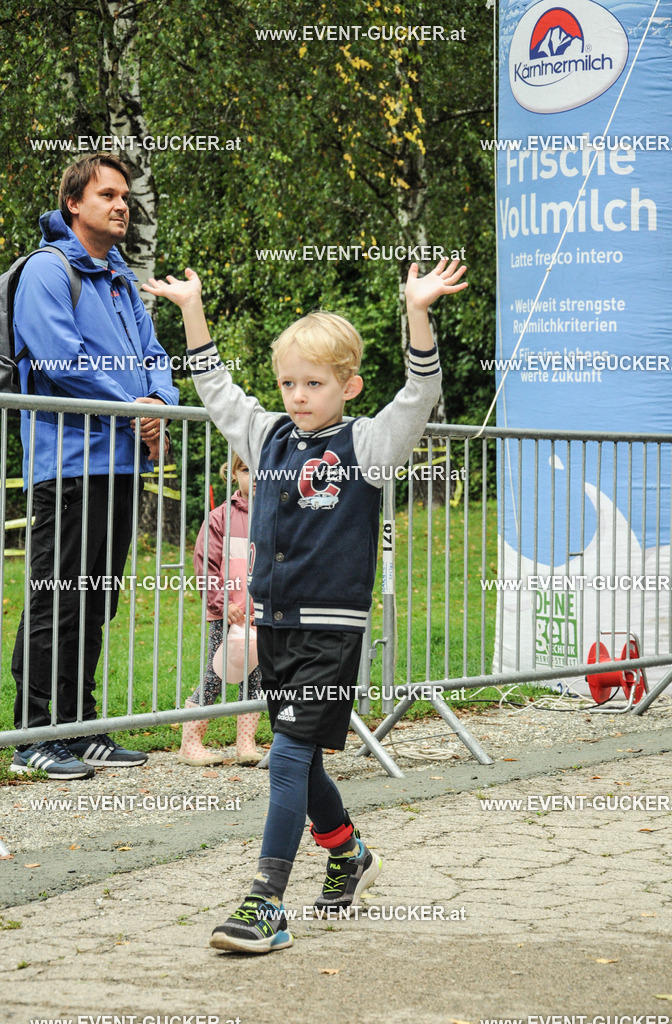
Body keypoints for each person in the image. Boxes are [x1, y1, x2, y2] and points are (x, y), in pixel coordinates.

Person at [143, 254, 467, 953]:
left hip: (330, 631)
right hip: (275, 627)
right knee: (306, 758)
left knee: (286, 757)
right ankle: (349, 856)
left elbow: (419, 393)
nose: (297, 395)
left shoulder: (370, 445)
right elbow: (219, 389)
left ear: (347, 386)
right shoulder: (267, 439)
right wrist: (192, 311)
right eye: (288, 382)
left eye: (313, 383)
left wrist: (417, 313)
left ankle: (265, 902)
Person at [10, 152, 179, 781]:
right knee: (57, 597)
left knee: (97, 599)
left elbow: (156, 355)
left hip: (120, 463)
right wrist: (133, 405)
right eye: (107, 194)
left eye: (125, 197)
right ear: (73, 204)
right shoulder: (47, 273)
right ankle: (33, 732)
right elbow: (61, 360)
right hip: (68, 462)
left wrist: (160, 402)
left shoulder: (120, 278)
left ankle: (79, 726)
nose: (121, 204)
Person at [178, 453, 264, 766]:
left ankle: (246, 743)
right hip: (228, 614)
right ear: (231, 473)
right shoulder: (219, 518)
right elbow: (206, 567)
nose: (253, 476)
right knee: (217, 673)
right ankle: (191, 743)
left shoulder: (277, 516)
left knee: (255, 678)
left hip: (261, 616)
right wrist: (223, 604)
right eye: (245, 469)